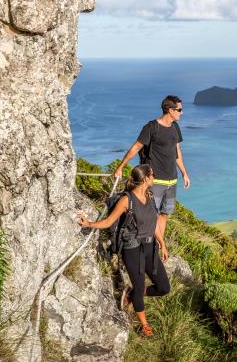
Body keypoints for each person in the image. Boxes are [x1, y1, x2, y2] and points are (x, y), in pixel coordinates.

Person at [77, 164, 170, 337]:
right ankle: (144, 325)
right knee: (140, 286)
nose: (154, 177)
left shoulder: (149, 195)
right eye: (152, 175)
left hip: (150, 247)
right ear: (145, 179)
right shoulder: (126, 200)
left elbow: (154, 223)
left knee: (164, 287)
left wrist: (162, 243)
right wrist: (89, 224)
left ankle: (132, 294)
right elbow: (109, 221)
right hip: (132, 249)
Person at [114, 95, 190, 237]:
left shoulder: (175, 127)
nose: (182, 112)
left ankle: (159, 244)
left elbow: (177, 151)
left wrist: (184, 173)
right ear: (170, 110)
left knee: (165, 214)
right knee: (150, 215)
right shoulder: (151, 127)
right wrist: (120, 167)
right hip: (154, 181)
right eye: (179, 110)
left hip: (171, 181)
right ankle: (149, 242)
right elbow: (136, 147)